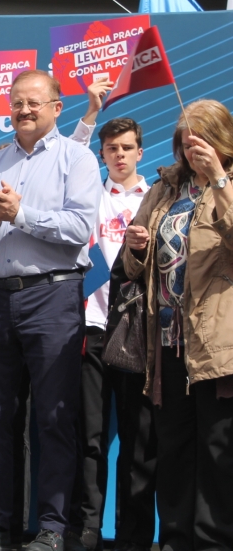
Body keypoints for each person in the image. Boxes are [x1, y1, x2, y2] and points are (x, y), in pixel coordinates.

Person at [0, 70, 101, 551]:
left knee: (55, 416)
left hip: (53, 294)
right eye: (17, 102)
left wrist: (19, 215)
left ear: (57, 107)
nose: (24, 110)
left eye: (35, 102)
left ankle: (53, 527)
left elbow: (79, 228)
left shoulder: (77, 158)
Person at [122, 99, 233, 551]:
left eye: (202, 142)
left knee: (217, 450)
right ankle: (175, 541)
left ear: (222, 141)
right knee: (173, 449)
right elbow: (132, 268)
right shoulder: (166, 189)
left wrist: (220, 179)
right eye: (186, 143)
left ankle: (214, 542)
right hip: (167, 341)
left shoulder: (230, 182)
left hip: (217, 342)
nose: (193, 151)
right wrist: (136, 246)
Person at [71, 117, 156, 551]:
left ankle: (132, 534)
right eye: (111, 148)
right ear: (101, 154)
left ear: (140, 152)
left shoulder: (157, 200)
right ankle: (86, 528)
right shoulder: (89, 197)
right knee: (91, 435)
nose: (119, 155)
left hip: (138, 332)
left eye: (126, 147)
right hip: (92, 327)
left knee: (139, 438)